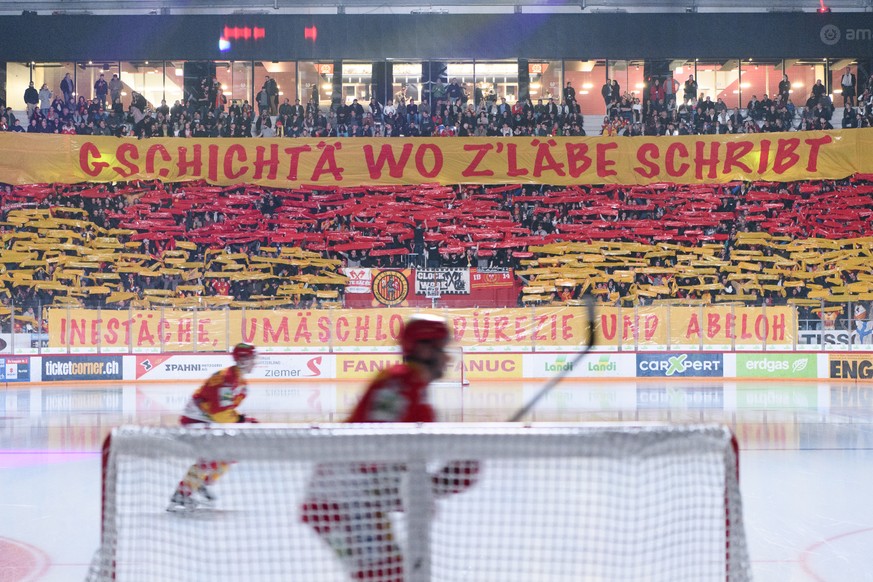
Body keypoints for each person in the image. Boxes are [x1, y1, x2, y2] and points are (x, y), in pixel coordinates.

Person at [300, 315, 479, 582]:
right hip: (341, 504)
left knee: (390, 574)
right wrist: (439, 483)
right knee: (387, 575)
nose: (447, 358)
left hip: (347, 503)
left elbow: (383, 465)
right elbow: (372, 451)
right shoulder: (401, 382)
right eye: (442, 349)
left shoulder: (409, 387)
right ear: (423, 349)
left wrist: (434, 485)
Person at [167, 343, 259, 512]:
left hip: (207, 420)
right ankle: (182, 494)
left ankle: (201, 483)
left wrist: (243, 419)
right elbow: (220, 413)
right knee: (210, 457)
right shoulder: (228, 380)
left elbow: (225, 411)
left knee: (230, 453)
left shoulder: (240, 383)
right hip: (195, 420)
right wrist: (241, 420)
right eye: (253, 358)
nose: (255, 362)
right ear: (243, 360)